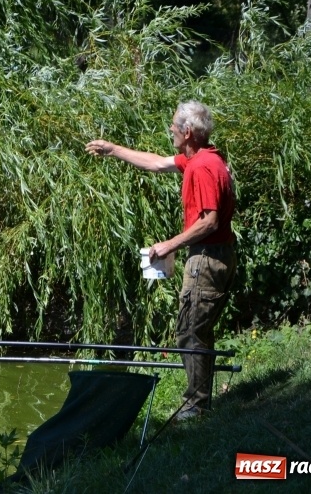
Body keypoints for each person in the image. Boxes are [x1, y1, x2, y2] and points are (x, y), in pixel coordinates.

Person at [85, 100, 236, 420]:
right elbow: (155, 163)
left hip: (207, 259)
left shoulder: (203, 167)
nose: (170, 130)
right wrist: (112, 149)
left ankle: (196, 405)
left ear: (189, 132)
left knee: (189, 332)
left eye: (174, 127)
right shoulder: (203, 157)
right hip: (212, 255)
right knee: (197, 330)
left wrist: (169, 245)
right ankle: (202, 401)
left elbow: (208, 222)